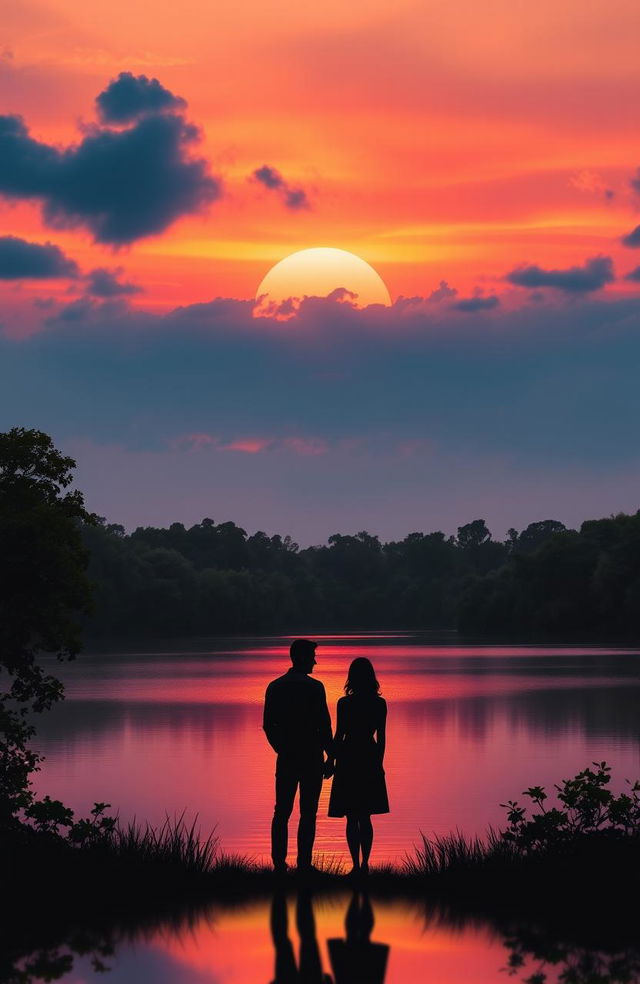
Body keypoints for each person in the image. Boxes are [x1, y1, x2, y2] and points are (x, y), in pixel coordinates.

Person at [263, 638, 333, 874]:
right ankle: (304, 864)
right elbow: (324, 727)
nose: (315, 661)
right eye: (312, 656)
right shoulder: (315, 687)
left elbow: (268, 726)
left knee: (281, 811)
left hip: (287, 758)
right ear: (301, 657)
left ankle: (279, 864)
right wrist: (330, 757)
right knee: (308, 813)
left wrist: (281, 748)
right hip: (311, 756)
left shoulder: (275, 686)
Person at [327, 657, 388, 874]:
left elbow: (339, 735)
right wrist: (379, 764)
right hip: (369, 756)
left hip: (348, 758)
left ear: (351, 678)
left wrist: (331, 760)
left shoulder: (345, 703)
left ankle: (355, 865)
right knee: (366, 815)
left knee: (352, 816)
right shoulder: (379, 704)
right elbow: (381, 738)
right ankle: (364, 865)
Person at [327, 890, 389, 984]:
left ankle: (360, 893)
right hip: (360, 968)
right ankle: (361, 893)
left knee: (355, 934)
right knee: (360, 934)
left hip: (349, 968)